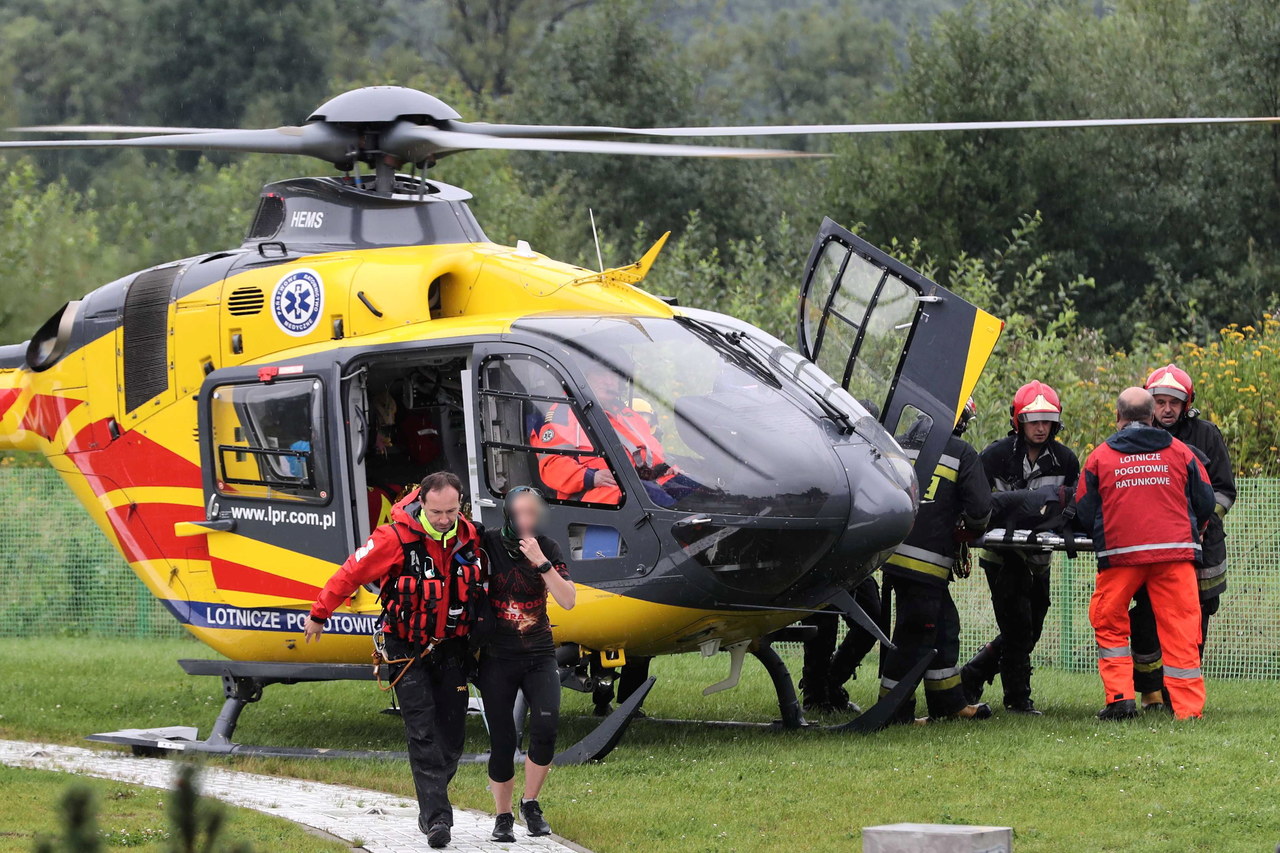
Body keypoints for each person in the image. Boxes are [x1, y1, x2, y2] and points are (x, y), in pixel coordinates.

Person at [304, 472, 483, 849]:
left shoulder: (470, 535)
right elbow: (351, 571)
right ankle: (437, 820)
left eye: (452, 511)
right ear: (421, 502)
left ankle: (430, 794)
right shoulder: (392, 538)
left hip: (451, 648)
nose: (444, 519)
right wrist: (320, 613)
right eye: (437, 512)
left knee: (452, 739)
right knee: (422, 731)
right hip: (404, 648)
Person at [1075, 387, 1214, 720]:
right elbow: (1206, 500)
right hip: (1176, 555)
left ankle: (1120, 700)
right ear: (1152, 416)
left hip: (1121, 556)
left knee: (1110, 623)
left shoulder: (1100, 457)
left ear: (1118, 417)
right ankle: (1188, 710)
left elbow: (1083, 508)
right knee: (1181, 628)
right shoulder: (1181, 452)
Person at [961, 381, 1079, 715]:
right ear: (1019, 421)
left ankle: (974, 673)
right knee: (1017, 627)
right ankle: (1017, 698)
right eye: (1034, 420)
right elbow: (979, 503)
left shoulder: (1066, 461)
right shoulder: (994, 457)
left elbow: (1071, 506)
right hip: (1001, 556)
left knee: (1032, 629)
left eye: (1047, 420)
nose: (1041, 427)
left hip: (1040, 559)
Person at [1130, 364, 1236, 712]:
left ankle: (1183, 692)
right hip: (1154, 548)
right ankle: (1152, 693)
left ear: (1187, 403)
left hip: (1201, 549)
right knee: (1146, 617)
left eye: (1174, 402)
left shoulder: (1207, 435)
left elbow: (1223, 490)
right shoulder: (1136, 435)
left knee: (1193, 621)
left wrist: (1204, 521)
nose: (1167, 409)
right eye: (1159, 401)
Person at [882, 399, 994, 723]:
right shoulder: (961, 452)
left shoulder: (895, 445)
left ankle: (949, 704)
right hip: (927, 564)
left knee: (944, 628)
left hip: (893, 557)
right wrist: (967, 531)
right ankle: (893, 712)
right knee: (913, 637)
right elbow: (980, 510)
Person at [477, 486, 576, 841]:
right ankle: (502, 816)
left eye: (531, 514)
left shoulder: (547, 548)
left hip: (538, 654)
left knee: (546, 730)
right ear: (506, 514)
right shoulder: (487, 543)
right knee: (504, 741)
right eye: (518, 514)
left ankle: (530, 803)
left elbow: (568, 600)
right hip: (498, 656)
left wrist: (542, 563)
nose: (524, 521)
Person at [531, 349, 701, 507]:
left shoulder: (627, 414)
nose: (610, 381)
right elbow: (552, 466)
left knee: (699, 492)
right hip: (596, 493)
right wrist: (592, 477)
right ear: (583, 376)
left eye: (614, 376)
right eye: (600, 374)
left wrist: (665, 467)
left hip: (639, 484)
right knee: (669, 511)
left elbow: (651, 453)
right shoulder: (562, 412)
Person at [796, 580, 879, 713]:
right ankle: (815, 696)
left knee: (871, 622)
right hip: (816, 570)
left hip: (855, 566)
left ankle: (831, 684)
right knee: (822, 629)